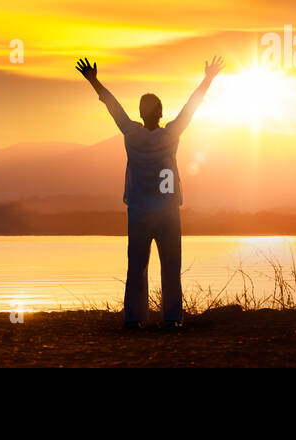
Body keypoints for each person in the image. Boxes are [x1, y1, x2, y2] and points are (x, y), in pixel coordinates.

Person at [76, 56, 223, 329]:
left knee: (137, 267)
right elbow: (192, 107)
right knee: (170, 267)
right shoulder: (170, 135)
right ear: (161, 113)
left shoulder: (131, 133)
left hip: (140, 212)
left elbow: (113, 107)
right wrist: (208, 79)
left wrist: (94, 80)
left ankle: (134, 319)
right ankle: (172, 319)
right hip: (167, 211)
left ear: (142, 114)